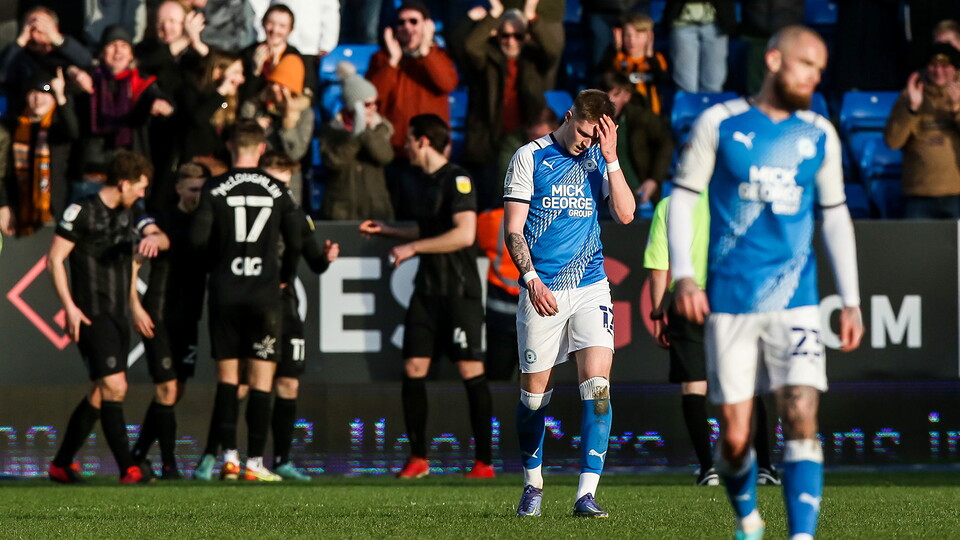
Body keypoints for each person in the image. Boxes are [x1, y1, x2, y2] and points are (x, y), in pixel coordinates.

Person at [667, 26, 864, 539]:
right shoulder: (720, 122)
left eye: (820, 69)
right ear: (774, 60)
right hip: (730, 301)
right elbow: (684, 198)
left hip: (797, 298)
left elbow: (836, 214)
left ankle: (801, 535)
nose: (814, 76)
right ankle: (749, 520)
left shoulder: (819, 132)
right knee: (734, 440)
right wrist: (684, 276)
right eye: (806, 64)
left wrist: (851, 298)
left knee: (800, 412)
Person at [504, 89, 636, 518]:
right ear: (568, 117)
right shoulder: (531, 157)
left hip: (591, 284)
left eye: (593, 136)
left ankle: (586, 494)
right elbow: (513, 231)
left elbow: (626, 213)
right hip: (542, 288)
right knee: (533, 397)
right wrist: (530, 279)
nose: (585, 142)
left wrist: (612, 157)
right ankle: (533, 483)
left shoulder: (599, 158)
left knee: (598, 388)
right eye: (581, 132)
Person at [358, 114, 494, 480]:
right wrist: (388, 232)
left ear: (422, 141)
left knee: (470, 370)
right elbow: (430, 228)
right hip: (427, 290)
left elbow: (464, 234)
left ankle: (484, 462)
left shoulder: (459, 179)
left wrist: (413, 248)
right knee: (413, 368)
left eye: (408, 140)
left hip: (458, 289)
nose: (404, 147)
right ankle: (418, 458)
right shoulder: (425, 182)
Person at [190, 120, 301, 482]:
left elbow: (197, 242)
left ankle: (230, 458)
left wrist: (217, 265)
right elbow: (298, 239)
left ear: (230, 146)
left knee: (227, 379)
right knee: (261, 380)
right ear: (262, 148)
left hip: (225, 291)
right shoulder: (277, 188)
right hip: (265, 295)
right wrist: (287, 271)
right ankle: (255, 463)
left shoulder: (214, 187)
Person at [46, 150, 167, 484]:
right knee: (116, 386)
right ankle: (129, 468)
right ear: (124, 183)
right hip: (90, 313)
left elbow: (159, 236)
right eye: (140, 187)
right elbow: (54, 260)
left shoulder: (131, 212)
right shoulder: (81, 210)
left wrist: (135, 302)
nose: (143, 194)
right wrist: (69, 307)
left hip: (117, 314)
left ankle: (61, 464)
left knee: (100, 393)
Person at [644, 192, 780, 487]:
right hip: (731, 298)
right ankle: (766, 467)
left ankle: (708, 469)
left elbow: (659, 266)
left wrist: (657, 312)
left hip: (687, 300)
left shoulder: (669, 206)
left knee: (694, 384)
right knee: (745, 383)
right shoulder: (735, 198)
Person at [130, 161, 211, 480]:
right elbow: (140, 257)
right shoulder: (162, 218)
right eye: (192, 189)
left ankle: (137, 453)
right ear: (179, 188)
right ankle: (168, 464)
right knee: (166, 389)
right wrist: (135, 305)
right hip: (159, 313)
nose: (197, 196)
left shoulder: (207, 220)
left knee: (175, 391)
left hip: (188, 316)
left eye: (202, 190)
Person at [262, 150, 339, 480]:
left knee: (288, 382)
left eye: (286, 182)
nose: (283, 189)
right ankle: (231, 457)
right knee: (248, 383)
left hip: (287, 306)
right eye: (276, 182)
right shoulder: (255, 215)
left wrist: (326, 258)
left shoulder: (296, 214)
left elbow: (315, 264)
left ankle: (281, 460)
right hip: (255, 302)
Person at [460, 0, 561, 209]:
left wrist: (531, 16)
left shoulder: (534, 59)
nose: (511, 41)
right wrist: (494, 15)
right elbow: (470, 47)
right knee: (495, 202)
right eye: (505, 35)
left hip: (527, 140)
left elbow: (552, 51)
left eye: (518, 36)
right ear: (497, 35)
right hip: (490, 141)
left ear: (527, 37)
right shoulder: (487, 58)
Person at [366, 1, 458, 158]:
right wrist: (393, 62)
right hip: (393, 149)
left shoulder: (439, 55)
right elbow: (372, 96)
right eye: (401, 22)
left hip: (429, 150)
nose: (407, 27)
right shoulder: (382, 58)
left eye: (414, 21)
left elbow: (447, 84)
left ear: (426, 25)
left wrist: (425, 52)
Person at [883, 43, 960, 219]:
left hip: (956, 193)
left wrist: (957, 108)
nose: (939, 71)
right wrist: (912, 109)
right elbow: (893, 142)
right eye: (933, 65)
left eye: (945, 66)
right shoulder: (910, 95)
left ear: (955, 69)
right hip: (919, 194)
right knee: (917, 246)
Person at [1, 67, 78, 236]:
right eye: (33, 93)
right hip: (20, 212)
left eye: (44, 93)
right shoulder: (15, 127)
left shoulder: (57, 127)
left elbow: (73, 131)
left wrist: (61, 96)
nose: (38, 99)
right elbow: (4, 172)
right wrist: (3, 205)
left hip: (56, 213)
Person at [319, 61, 394, 221]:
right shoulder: (331, 130)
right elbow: (335, 161)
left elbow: (384, 156)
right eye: (367, 104)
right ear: (354, 106)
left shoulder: (380, 127)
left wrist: (364, 131)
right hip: (341, 210)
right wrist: (355, 135)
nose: (373, 108)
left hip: (376, 209)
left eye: (376, 103)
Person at [239, 52, 313, 205]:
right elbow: (238, 139)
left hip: (287, 180)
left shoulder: (304, 113)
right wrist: (254, 128)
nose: (275, 89)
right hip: (256, 176)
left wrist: (289, 125)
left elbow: (296, 153)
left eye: (282, 86)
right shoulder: (254, 107)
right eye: (273, 83)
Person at [0, 6, 93, 117]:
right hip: (24, 118)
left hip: (64, 118)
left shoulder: (65, 50)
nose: (36, 33)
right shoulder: (19, 54)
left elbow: (87, 61)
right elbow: (2, 74)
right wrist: (21, 40)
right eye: (30, 27)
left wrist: (56, 38)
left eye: (43, 25)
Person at [600, 71, 673, 207]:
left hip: (637, 190)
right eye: (604, 94)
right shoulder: (586, 119)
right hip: (599, 192)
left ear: (626, 96)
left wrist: (654, 180)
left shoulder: (642, 118)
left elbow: (665, 144)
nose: (608, 100)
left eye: (615, 95)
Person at [240, 4, 315, 104]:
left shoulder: (298, 58)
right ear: (263, 23)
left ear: (290, 30)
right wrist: (255, 72)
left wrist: (279, 74)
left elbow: (307, 95)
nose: (275, 30)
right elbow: (240, 97)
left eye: (282, 26)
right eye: (270, 23)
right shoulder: (248, 54)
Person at [598, 13, 669, 115]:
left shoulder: (656, 59)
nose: (632, 40)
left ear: (649, 37)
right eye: (627, 35)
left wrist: (650, 55)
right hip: (624, 116)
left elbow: (661, 79)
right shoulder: (618, 57)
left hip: (651, 115)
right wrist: (616, 49)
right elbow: (606, 78)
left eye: (638, 35)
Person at [665, 0, 737, 93]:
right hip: (682, 22)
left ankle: (710, 106)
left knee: (714, 83)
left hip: (717, 22)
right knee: (686, 84)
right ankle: (688, 106)